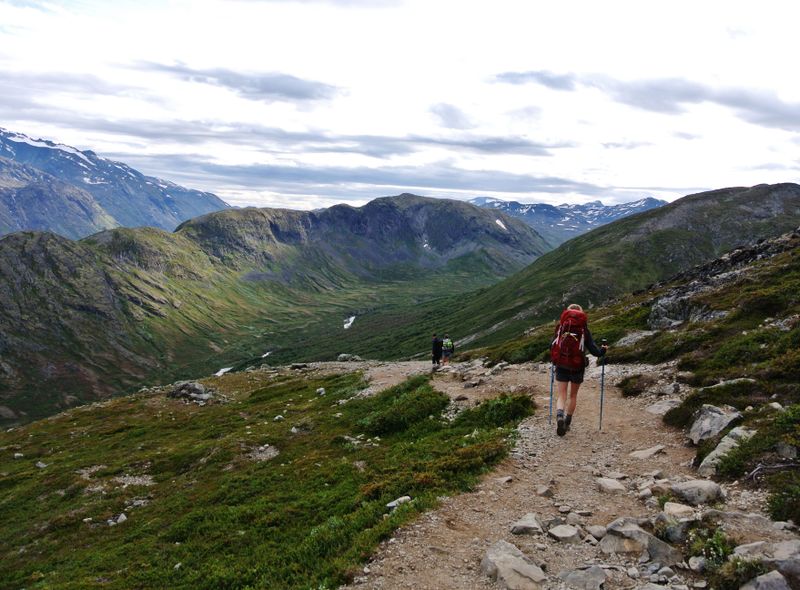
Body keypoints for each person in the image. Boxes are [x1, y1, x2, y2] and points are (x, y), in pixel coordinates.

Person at [551, 303, 607, 436]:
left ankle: (559, 416)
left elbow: (552, 345)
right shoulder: (583, 330)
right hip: (577, 367)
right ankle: (567, 422)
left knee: (562, 395)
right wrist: (603, 350)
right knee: (573, 395)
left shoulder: (561, 327)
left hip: (562, 364)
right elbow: (595, 352)